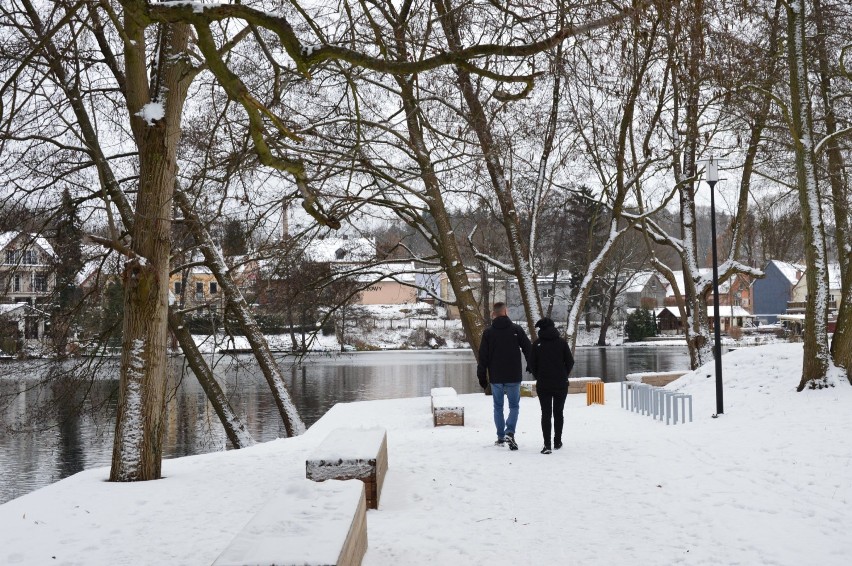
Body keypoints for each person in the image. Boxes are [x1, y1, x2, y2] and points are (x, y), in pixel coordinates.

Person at [477, 302, 531, 450]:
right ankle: (510, 432)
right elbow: (528, 348)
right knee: (514, 406)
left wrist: (482, 376)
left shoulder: (488, 333)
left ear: (494, 313)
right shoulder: (516, 329)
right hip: (513, 375)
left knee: (498, 407)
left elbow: (483, 357)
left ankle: (501, 437)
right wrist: (531, 364)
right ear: (505, 311)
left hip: (496, 376)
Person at [528, 317, 574, 454]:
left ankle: (547, 444)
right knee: (559, 412)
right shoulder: (562, 343)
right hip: (561, 383)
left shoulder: (537, 344)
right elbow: (570, 362)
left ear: (541, 329)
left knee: (546, 413)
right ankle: (557, 441)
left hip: (544, 384)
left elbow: (531, 364)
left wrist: (539, 376)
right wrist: (563, 374)